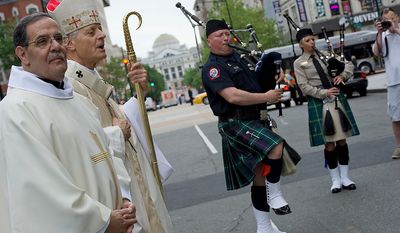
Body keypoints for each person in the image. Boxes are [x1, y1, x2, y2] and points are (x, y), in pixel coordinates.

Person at [0, 12, 136, 233]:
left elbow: (106, 156)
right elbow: (43, 190)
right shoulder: (15, 111)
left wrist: (123, 200)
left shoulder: (79, 101)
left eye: (58, 38)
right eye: (43, 41)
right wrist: (104, 221)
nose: (55, 46)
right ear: (23, 54)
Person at [47, 1, 174, 232]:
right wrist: (115, 134)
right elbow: (77, 147)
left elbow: (120, 119)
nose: (102, 35)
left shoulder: (91, 79)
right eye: (91, 31)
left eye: (99, 28)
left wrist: (140, 92)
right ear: (69, 43)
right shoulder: (69, 86)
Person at [201, 19, 296, 233]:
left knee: (260, 177)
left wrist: (273, 73)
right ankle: (276, 195)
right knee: (276, 146)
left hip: (256, 119)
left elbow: (258, 83)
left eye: (228, 33)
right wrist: (266, 96)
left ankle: (264, 228)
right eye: (220, 35)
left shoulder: (242, 59)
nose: (226, 38)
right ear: (209, 41)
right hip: (235, 122)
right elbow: (232, 96)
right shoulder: (212, 68)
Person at [294, 28, 359, 194]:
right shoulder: (298, 63)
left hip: (336, 98)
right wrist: (324, 93)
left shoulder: (326, 55)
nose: (312, 42)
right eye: (307, 41)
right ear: (301, 44)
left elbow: (348, 64)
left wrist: (342, 76)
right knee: (329, 143)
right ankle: (335, 179)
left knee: (342, 140)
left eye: (313, 39)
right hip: (319, 102)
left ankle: (345, 177)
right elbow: (303, 86)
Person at [372, 8, 400, 159]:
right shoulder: (384, 35)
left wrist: (396, 29)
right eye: (386, 20)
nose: (390, 21)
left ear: (397, 17)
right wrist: (380, 33)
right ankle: (399, 147)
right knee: (396, 117)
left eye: (392, 18)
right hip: (394, 81)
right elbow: (376, 53)